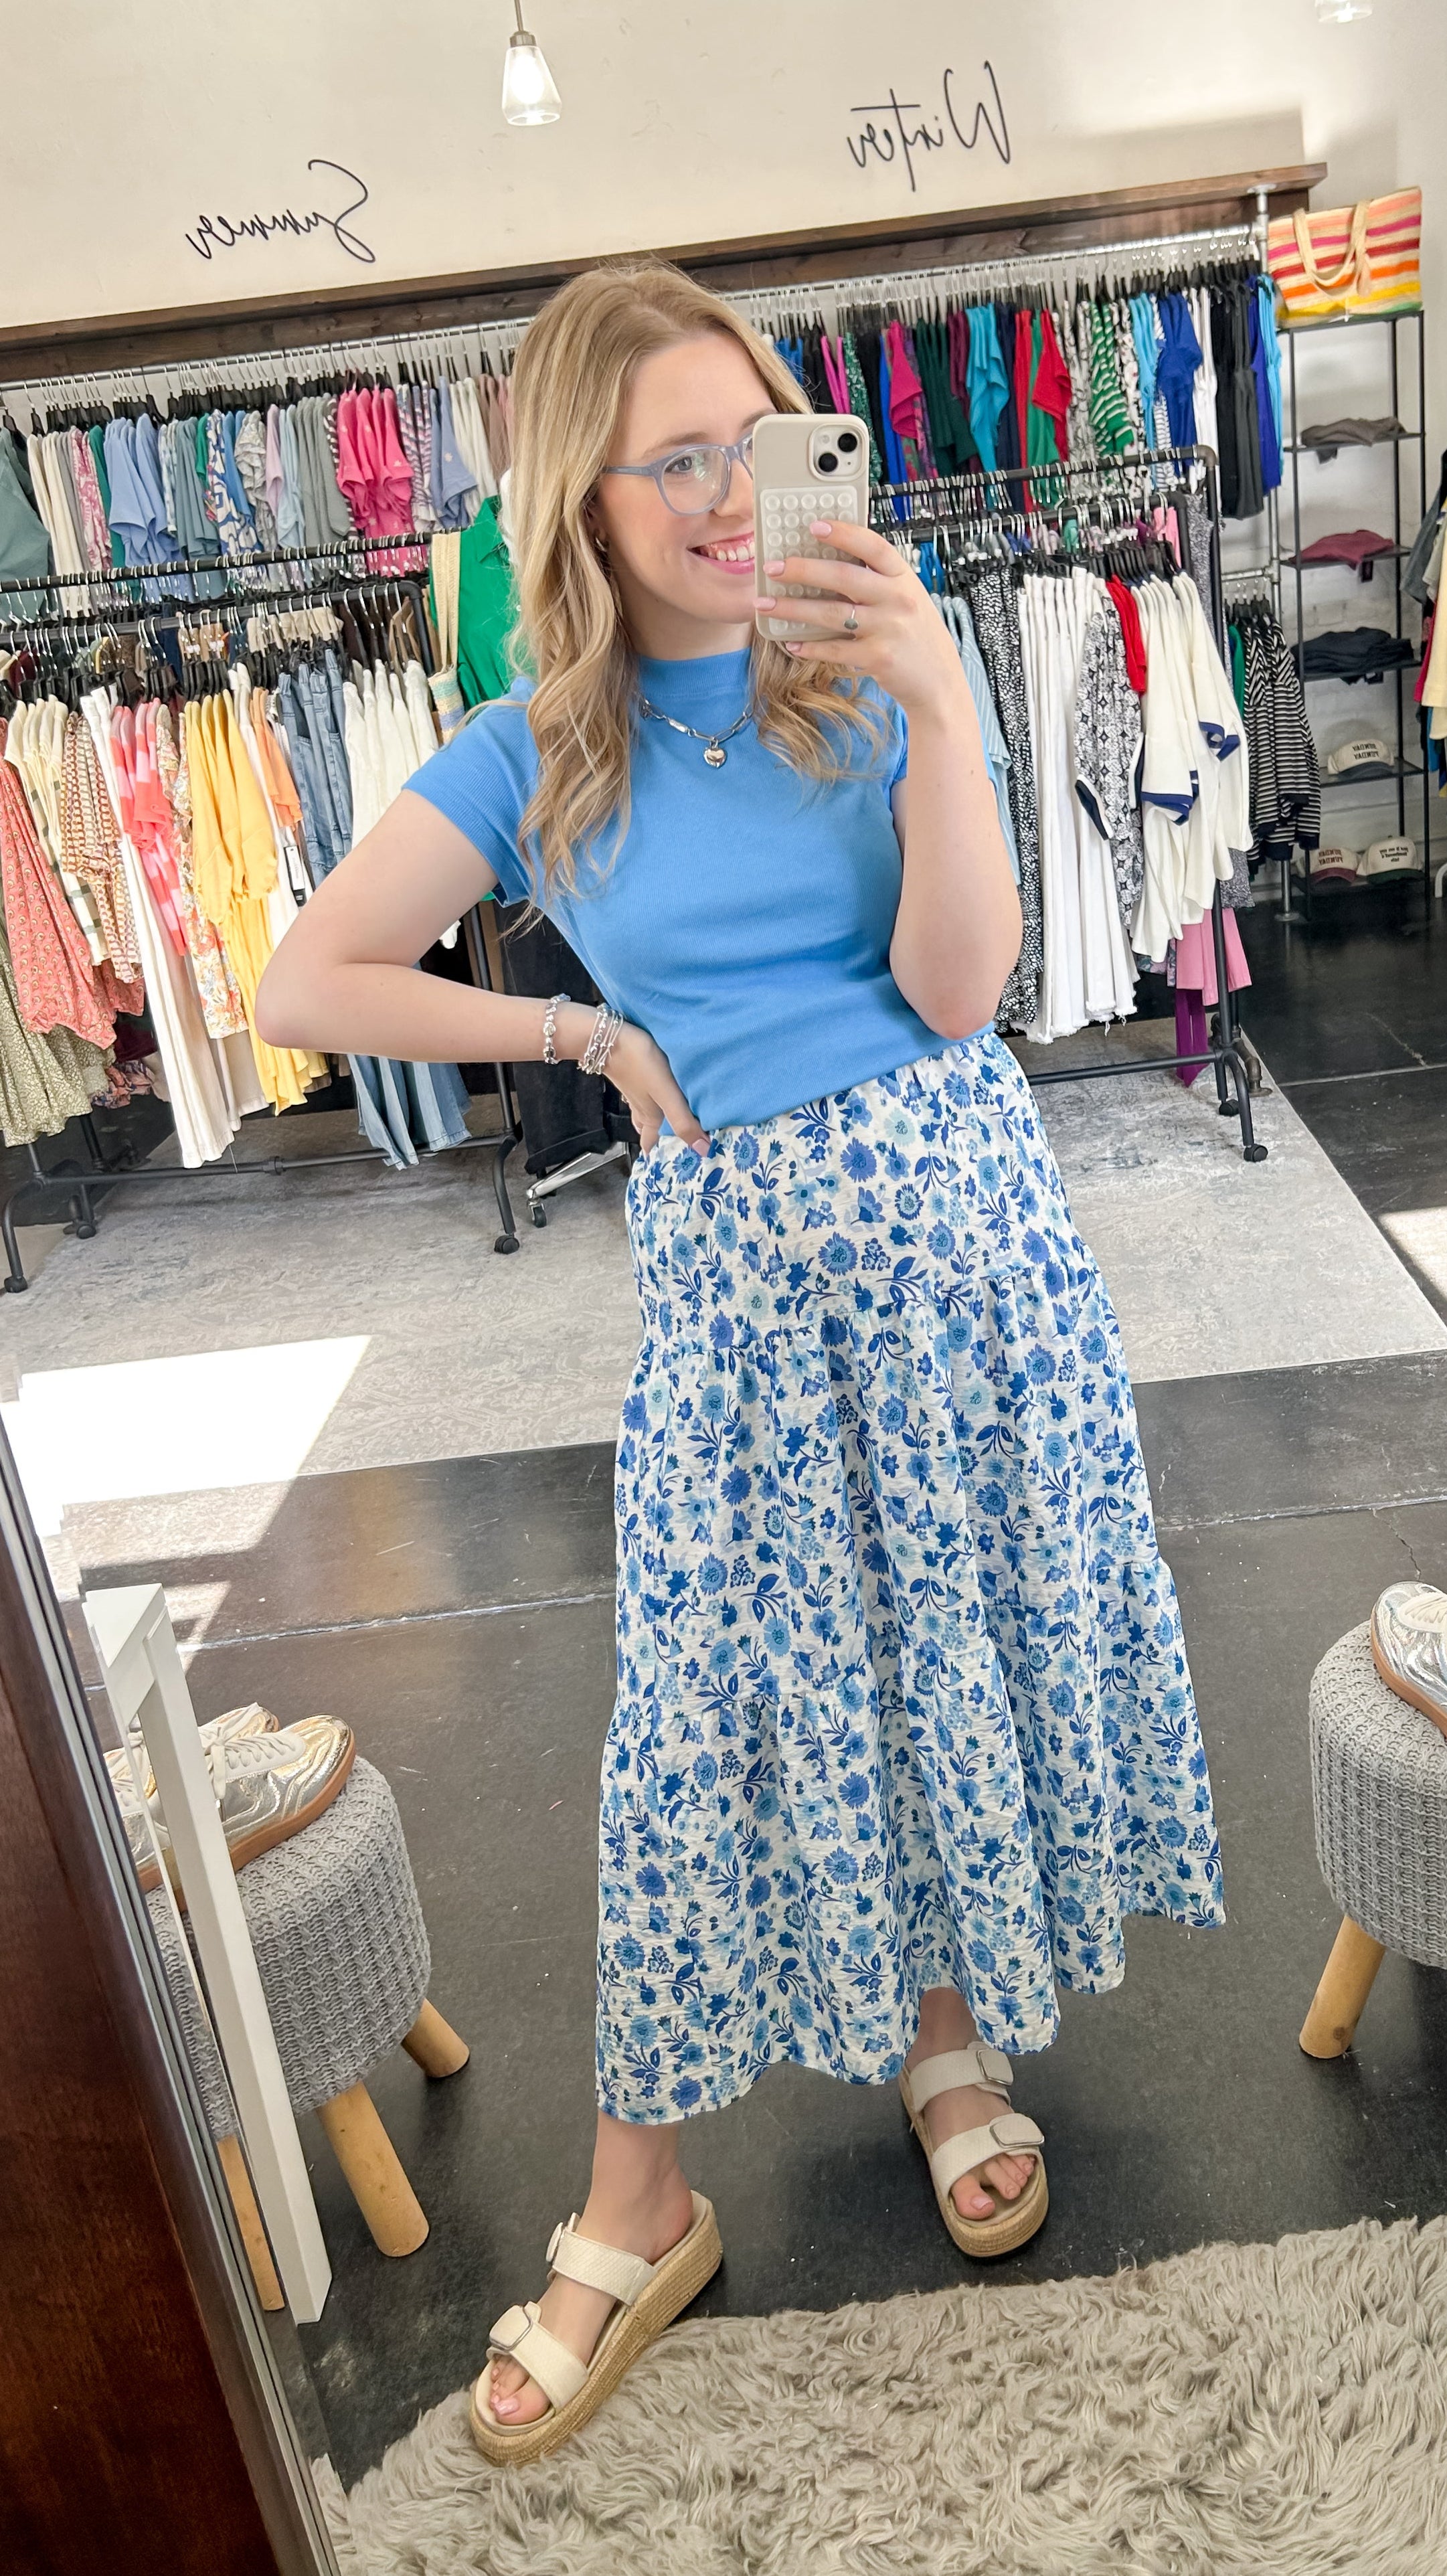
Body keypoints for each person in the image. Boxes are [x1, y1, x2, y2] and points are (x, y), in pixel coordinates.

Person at [257, 261, 1222, 2467]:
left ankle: (949, 2041)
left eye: (748, 441)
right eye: (668, 460)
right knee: (696, 1719)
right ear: (578, 506)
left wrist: (947, 702)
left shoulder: (869, 673)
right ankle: (641, 2194)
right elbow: (311, 977)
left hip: (967, 1257)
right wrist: (581, 1031)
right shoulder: (537, 750)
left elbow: (959, 990)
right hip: (742, 1304)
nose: (719, 494)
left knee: (937, 1650)